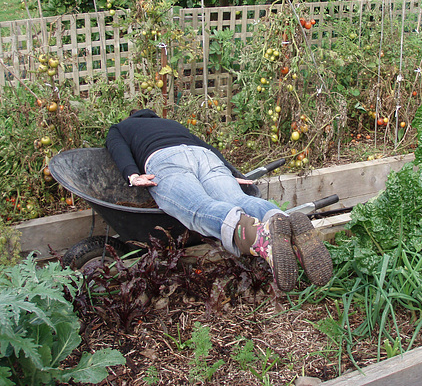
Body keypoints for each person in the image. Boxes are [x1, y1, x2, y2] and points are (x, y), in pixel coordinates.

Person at [105, 108, 333, 292]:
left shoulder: (122, 127)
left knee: (198, 207)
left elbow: (117, 148)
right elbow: (206, 146)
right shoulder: (171, 124)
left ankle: (260, 240)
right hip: (204, 156)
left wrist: (133, 175)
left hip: (165, 159)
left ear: (131, 117)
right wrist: (234, 173)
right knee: (236, 197)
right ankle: (285, 222)